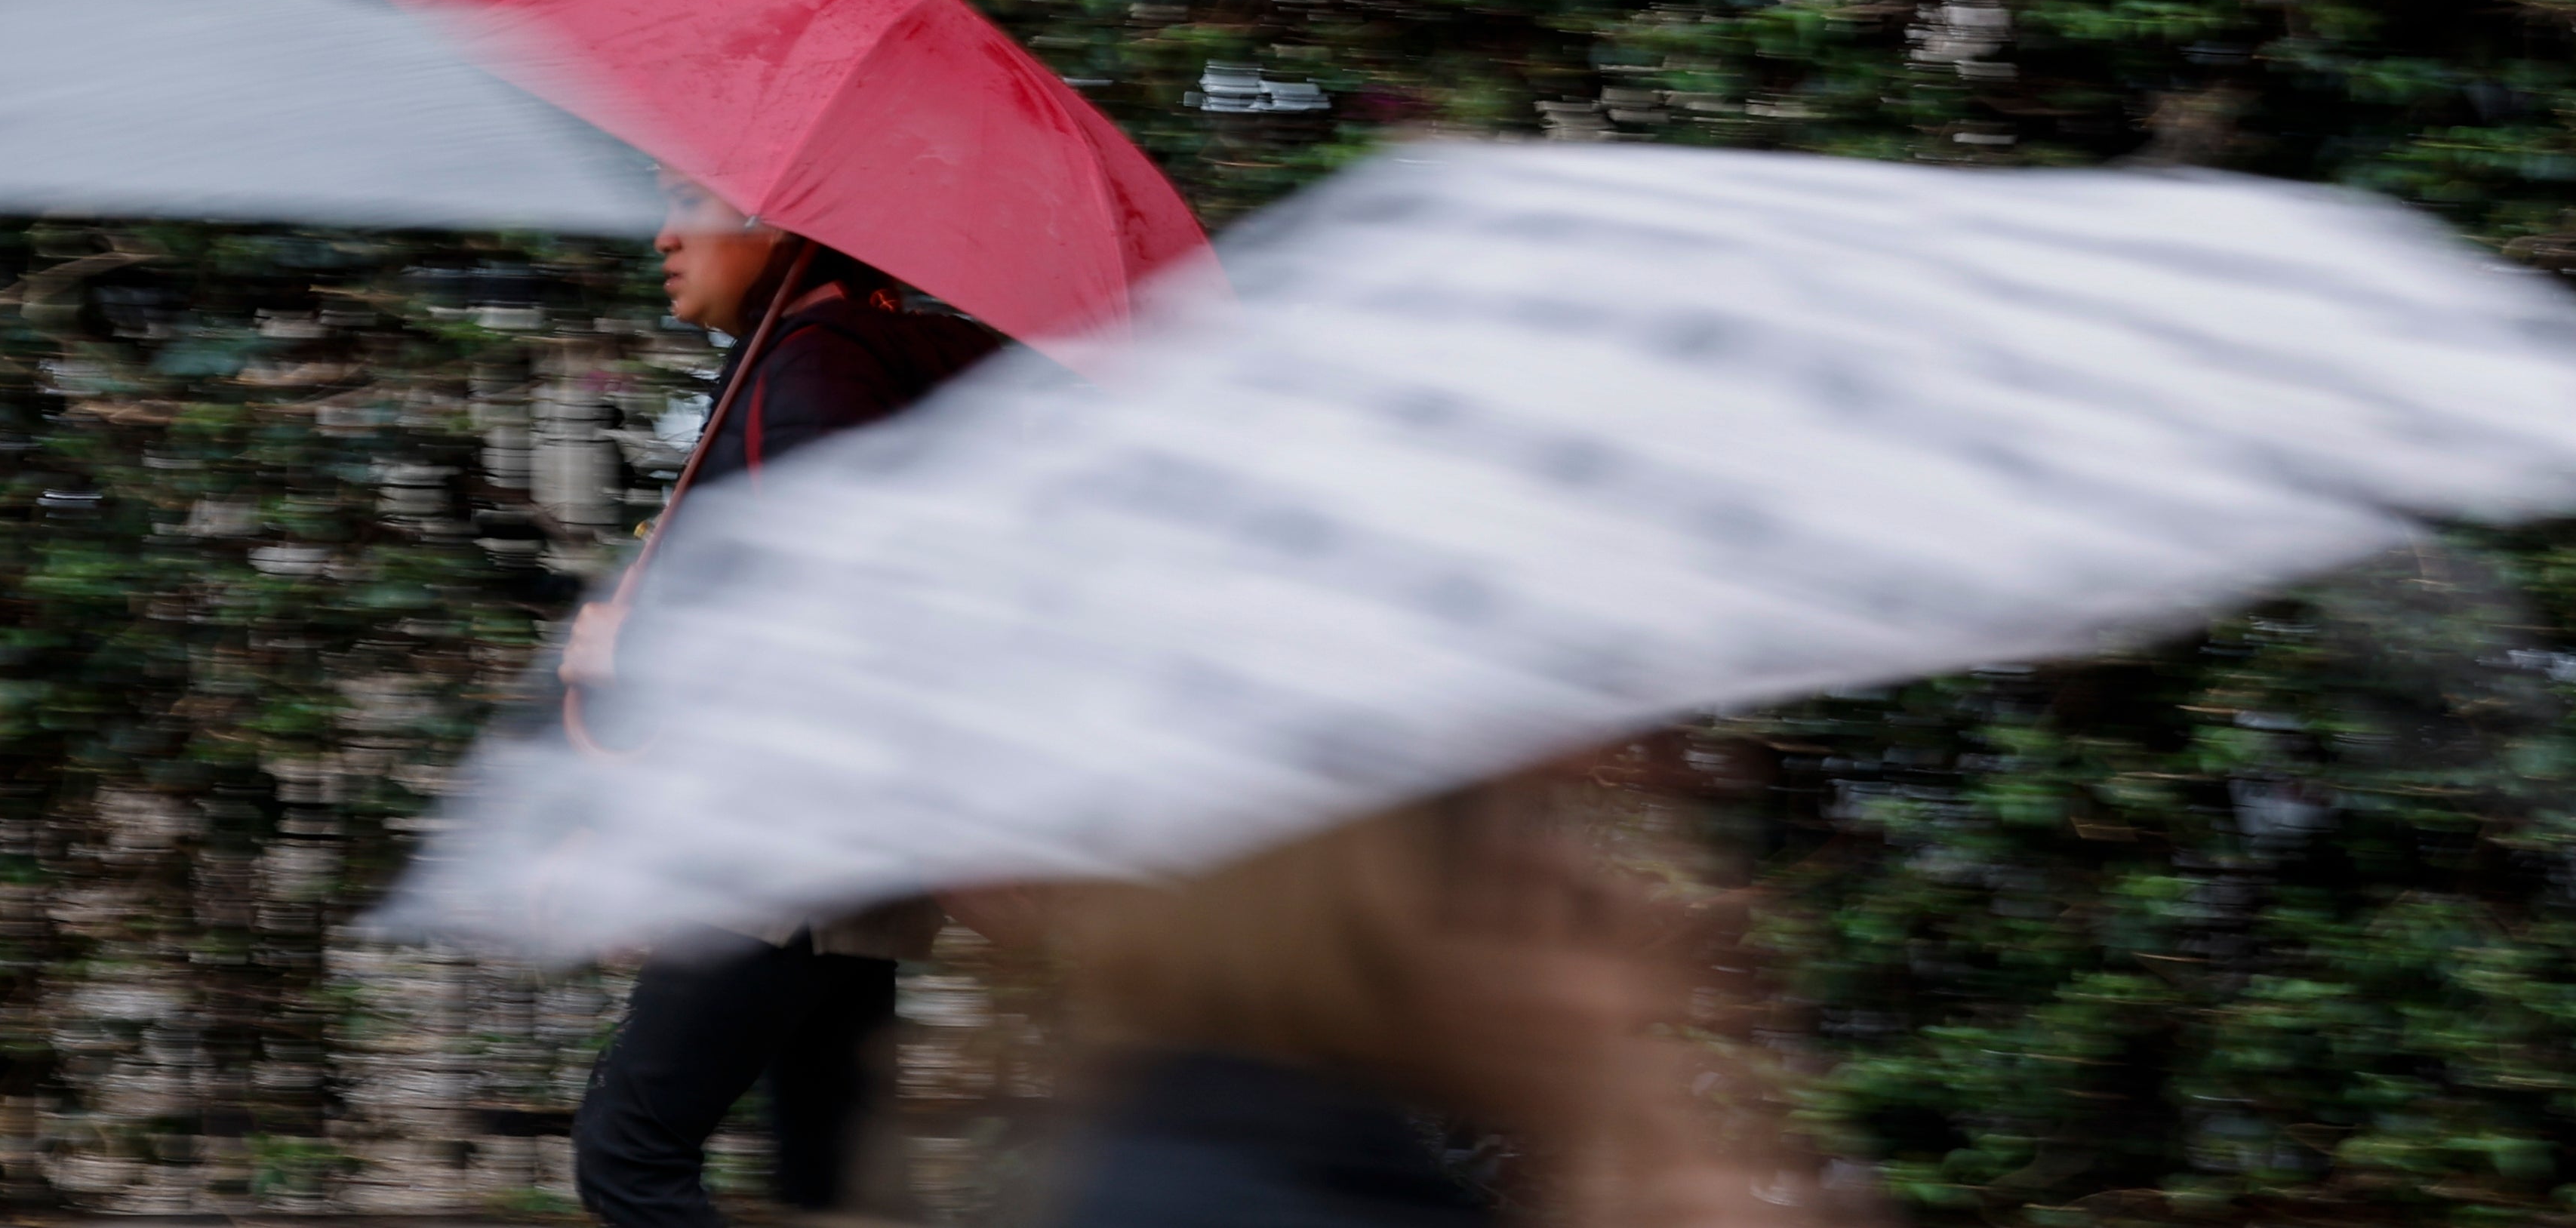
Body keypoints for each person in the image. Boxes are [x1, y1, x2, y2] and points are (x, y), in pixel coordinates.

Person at [566, 174, 1001, 1228]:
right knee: (839, 1182)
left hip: (784, 836)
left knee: (630, 1157)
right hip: (841, 845)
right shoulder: (833, 354)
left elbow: (840, 603)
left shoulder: (812, 365)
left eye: (694, 205)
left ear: (776, 228)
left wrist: (640, 642)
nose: (666, 232)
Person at [1025, 752, 1843, 1228]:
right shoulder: (1247, 1195)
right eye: (1531, 818)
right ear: (1378, 889)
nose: (1614, 891)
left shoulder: (1243, 1149)